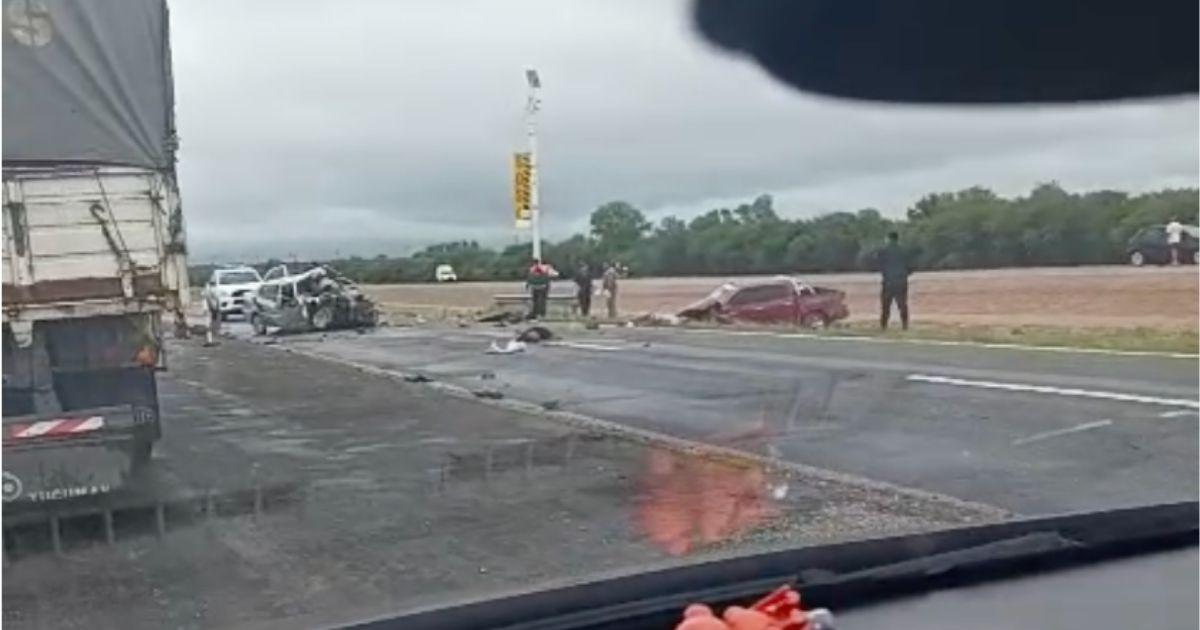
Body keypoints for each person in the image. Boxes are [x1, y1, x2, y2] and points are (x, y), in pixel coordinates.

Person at [876, 231, 911, 330]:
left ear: (888, 239)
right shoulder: (904, 251)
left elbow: (879, 264)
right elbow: (911, 265)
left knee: (885, 306)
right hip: (901, 281)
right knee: (902, 304)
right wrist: (904, 274)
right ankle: (905, 325)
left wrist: (885, 273)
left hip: (888, 282)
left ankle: (884, 326)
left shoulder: (883, 251)